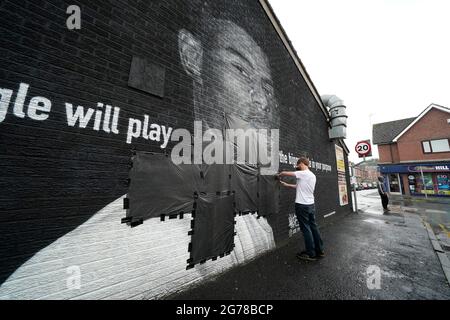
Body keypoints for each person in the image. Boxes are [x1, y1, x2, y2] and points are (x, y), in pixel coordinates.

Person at [279, 157, 324, 261]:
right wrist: (287, 185)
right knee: (313, 227)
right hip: (311, 205)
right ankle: (319, 250)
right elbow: (299, 186)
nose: (297, 166)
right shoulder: (312, 175)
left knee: (306, 228)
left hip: (302, 205)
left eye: (298, 164)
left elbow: (289, 173)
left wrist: (280, 174)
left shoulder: (304, 173)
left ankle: (310, 253)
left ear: (303, 163)